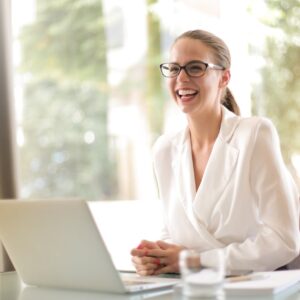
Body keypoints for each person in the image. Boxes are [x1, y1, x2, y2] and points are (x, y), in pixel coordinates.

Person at [131, 29, 300, 276]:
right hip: (194, 288)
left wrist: (195, 260)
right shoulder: (164, 150)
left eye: (195, 68)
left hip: (255, 288)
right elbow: (172, 231)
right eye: (174, 68)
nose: (182, 78)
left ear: (224, 78)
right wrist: (156, 257)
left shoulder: (254, 134)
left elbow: (284, 241)